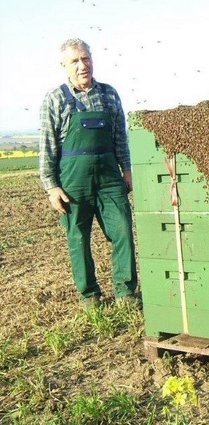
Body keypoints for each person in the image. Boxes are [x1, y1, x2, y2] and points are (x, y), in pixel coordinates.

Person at [39, 38, 138, 309]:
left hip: (109, 176)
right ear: (64, 66)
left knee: (122, 230)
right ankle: (90, 296)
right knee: (78, 238)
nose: (82, 65)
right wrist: (51, 186)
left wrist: (127, 169)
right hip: (73, 179)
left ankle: (126, 292)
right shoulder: (55, 98)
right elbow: (47, 145)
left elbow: (120, 137)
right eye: (75, 61)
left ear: (92, 59)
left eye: (86, 58)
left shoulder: (108, 95)